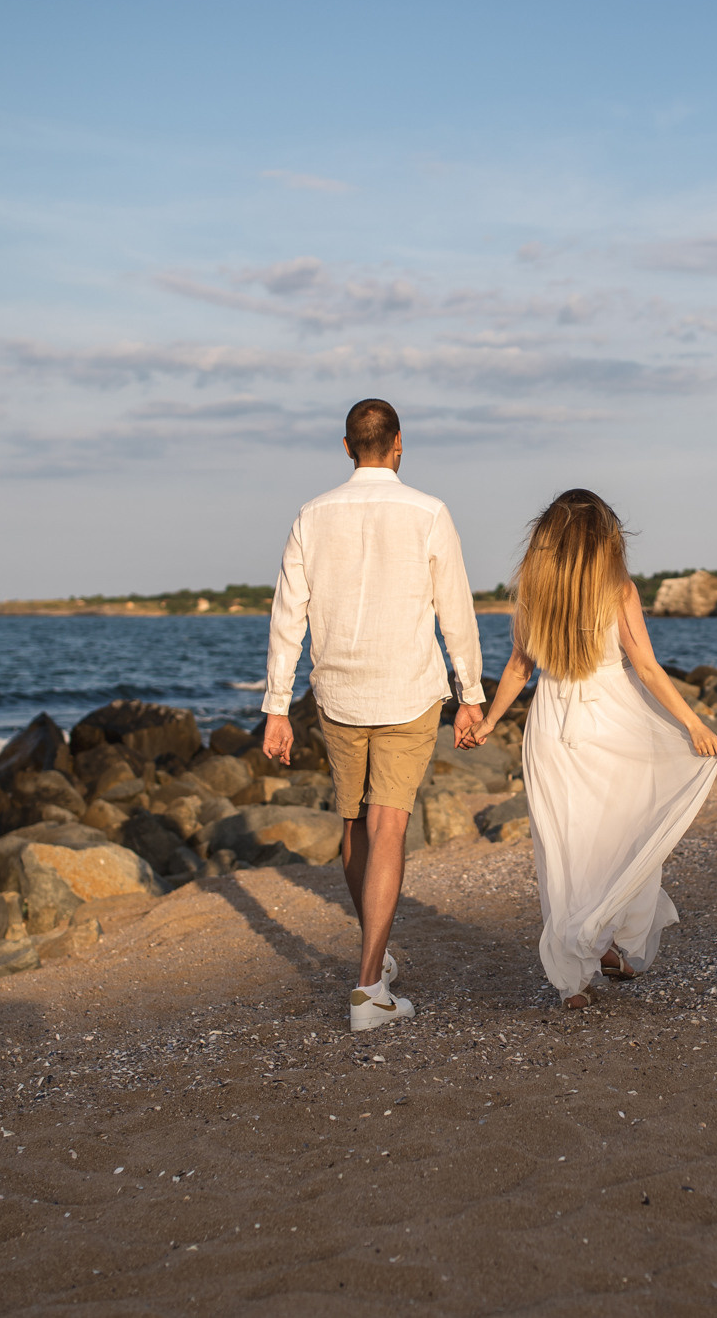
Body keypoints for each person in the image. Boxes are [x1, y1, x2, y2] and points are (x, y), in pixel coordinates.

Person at [260, 399, 486, 1032]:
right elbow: (455, 610)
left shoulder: (313, 514)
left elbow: (287, 618)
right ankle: (367, 989)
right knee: (389, 826)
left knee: (355, 824)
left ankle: (375, 959)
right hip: (407, 690)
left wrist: (276, 708)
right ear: (398, 444)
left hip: (338, 693)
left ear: (346, 445)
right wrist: (471, 693)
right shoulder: (428, 512)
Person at [472, 489, 717, 1009]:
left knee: (565, 846)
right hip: (612, 721)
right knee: (620, 835)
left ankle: (574, 977)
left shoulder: (533, 593)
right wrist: (693, 723)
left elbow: (519, 669)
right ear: (603, 540)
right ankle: (597, 943)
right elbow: (648, 668)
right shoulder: (619, 590)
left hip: (551, 725)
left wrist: (489, 721)